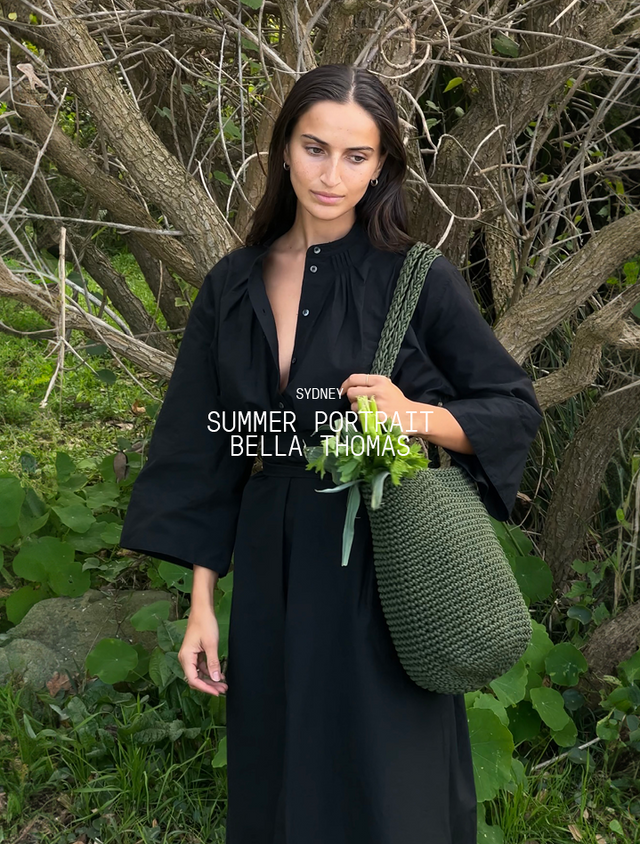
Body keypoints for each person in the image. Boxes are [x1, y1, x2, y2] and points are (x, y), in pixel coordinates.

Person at [119, 63, 543, 844]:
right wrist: (203, 604)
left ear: (381, 166)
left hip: (384, 564)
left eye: (356, 156)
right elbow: (204, 448)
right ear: (285, 148)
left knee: (388, 790)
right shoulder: (232, 285)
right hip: (271, 571)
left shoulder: (416, 278)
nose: (331, 175)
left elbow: (513, 407)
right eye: (315, 148)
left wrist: (414, 415)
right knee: (280, 784)